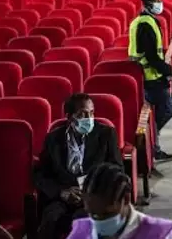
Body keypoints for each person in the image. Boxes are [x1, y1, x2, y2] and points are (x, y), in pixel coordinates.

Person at [34, 93, 123, 239]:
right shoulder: (53, 139)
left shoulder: (106, 135)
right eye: (82, 114)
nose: (89, 119)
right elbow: (41, 175)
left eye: (91, 113)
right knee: (50, 219)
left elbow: (117, 170)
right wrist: (61, 192)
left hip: (94, 197)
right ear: (69, 117)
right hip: (63, 196)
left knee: (83, 220)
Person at [129, 0, 172, 162]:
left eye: (160, 0)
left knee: (159, 112)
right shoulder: (145, 24)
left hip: (150, 76)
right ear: (146, 3)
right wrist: (169, 70)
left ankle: (153, 146)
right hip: (149, 78)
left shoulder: (145, 20)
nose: (160, 3)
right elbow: (151, 57)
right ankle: (151, 144)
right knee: (167, 109)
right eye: (156, 0)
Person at [67, 163, 172, 238]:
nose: (99, 222)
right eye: (93, 214)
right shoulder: (80, 232)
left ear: (126, 199)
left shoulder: (163, 234)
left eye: (107, 214)